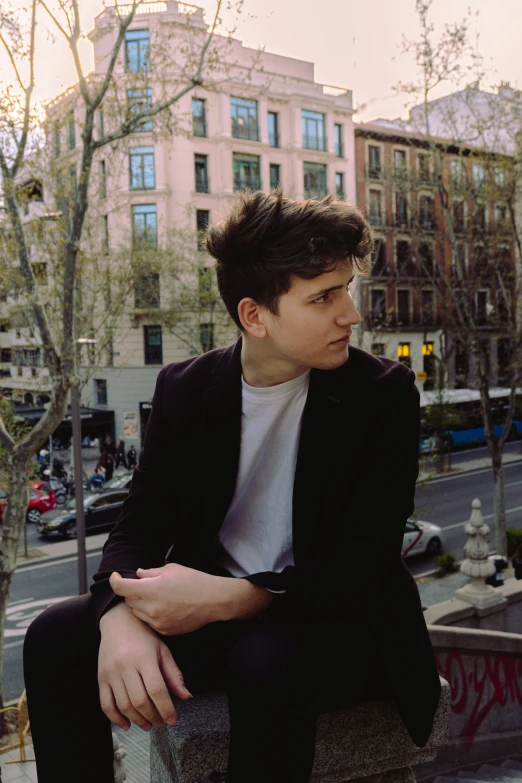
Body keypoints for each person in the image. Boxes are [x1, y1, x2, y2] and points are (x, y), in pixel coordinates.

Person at [24, 191, 441, 783]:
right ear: (255, 316)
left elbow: (364, 564)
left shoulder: (383, 395)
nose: (350, 314)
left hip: (343, 624)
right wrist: (117, 616)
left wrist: (236, 597)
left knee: (264, 660)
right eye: (323, 297)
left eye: (346, 289)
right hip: (220, 619)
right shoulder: (185, 389)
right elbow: (140, 522)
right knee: (54, 636)